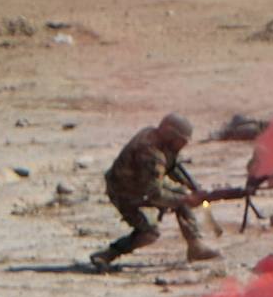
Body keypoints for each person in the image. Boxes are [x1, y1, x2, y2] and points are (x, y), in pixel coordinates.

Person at [89, 113, 219, 269]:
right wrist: (188, 200)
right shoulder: (149, 152)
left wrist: (193, 187)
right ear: (170, 135)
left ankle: (195, 246)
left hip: (142, 186)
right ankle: (107, 254)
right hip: (125, 193)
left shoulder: (157, 138)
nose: (182, 146)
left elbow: (172, 166)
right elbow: (155, 194)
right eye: (181, 142)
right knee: (149, 233)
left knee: (182, 195)